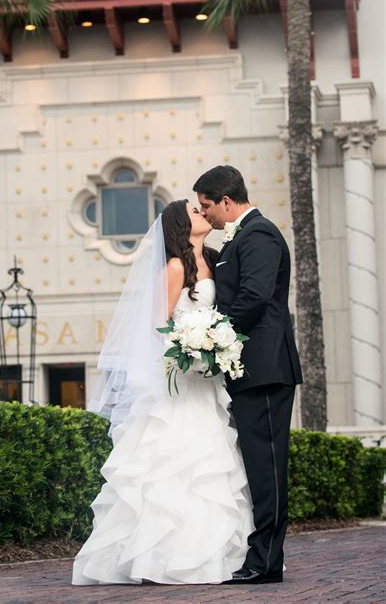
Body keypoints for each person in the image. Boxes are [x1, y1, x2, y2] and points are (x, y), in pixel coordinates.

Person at [72, 200, 254, 585]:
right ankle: (160, 556)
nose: (202, 213)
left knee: (211, 465)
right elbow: (156, 329)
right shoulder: (175, 267)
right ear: (178, 225)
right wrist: (192, 347)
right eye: (194, 210)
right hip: (182, 382)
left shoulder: (215, 259)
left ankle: (213, 554)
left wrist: (215, 347)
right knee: (174, 465)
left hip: (208, 384)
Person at [193, 165, 303, 585]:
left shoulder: (257, 234)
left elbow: (255, 297)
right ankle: (264, 559)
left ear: (226, 200)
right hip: (250, 370)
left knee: (267, 468)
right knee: (258, 467)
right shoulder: (239, 237)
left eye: (208, 206)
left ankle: (264, 562)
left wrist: (212, 335)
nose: (206, 215)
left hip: (265, 368)